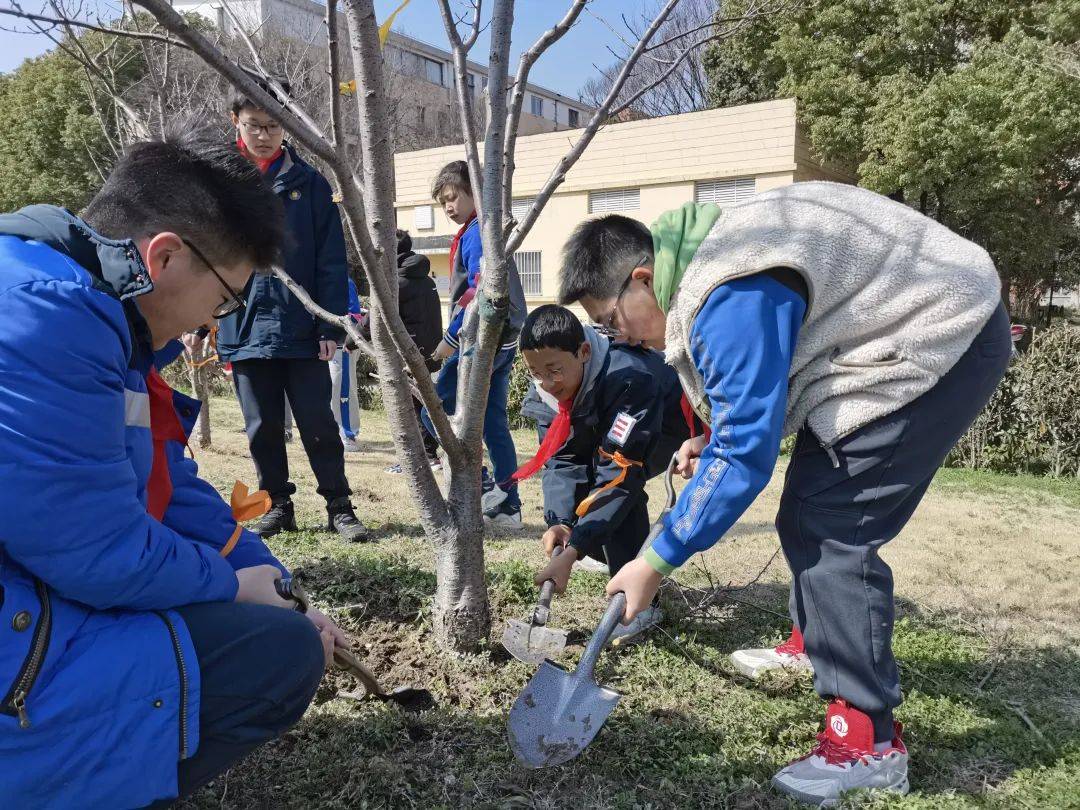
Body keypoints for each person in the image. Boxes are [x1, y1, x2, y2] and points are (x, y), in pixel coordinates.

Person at [556, 183, 1010, 805]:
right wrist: (713, 436)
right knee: (809, 508)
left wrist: (653, 562)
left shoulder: (729, 291)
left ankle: (869, 743)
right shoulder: (707, 264)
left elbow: (747, 451)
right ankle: (815, 642)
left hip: (941, 331)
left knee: (831, 524)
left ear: (642, 278)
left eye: (612, 321)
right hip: (892, 335)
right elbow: (751, 404)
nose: (622, 337)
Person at [0, 131, 345, 809]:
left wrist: (276, 581)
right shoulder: (51, 321)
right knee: (277, 657)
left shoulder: (79, 298)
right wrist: (233, 585)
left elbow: (168, 484)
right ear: (164, 257)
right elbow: (100, 553)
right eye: (224, 300)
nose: (214, 323)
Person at [215, 81, 368, 542]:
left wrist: (329, 324)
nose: (263, 135)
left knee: (317, 420)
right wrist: (212, 324)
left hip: (303, 325)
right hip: (241, 324)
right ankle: (276, 504)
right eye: (253, 125)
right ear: (235, 123)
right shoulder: (220, 181)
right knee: (260, 425)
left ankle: (339, 506)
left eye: (273, 126)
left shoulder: (311, 183)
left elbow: (330, 259)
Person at [514, 306, 700, 642]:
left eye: (554, 370)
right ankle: (603, 551)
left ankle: (641, 606)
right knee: (584, 498)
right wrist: (561, 523)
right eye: (534, 372)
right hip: (604, 421)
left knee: (618, 492)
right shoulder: (546, 391)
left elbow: (620, 474)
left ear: (584, 352)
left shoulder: (630, 378)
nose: (545, 382)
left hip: (661, 424)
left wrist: (573, 551)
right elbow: (561, 460)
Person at [422, 161, 527, 529]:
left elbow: (477, 291)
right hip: (504, 337)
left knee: (433, 411)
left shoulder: (476, 234)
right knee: (495, 422)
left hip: (482, 340)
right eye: (443, 202)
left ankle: (481, 485)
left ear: (474, 194)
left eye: (454, 197)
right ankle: (509, 505)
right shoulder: (481, 231)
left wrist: (448, 342)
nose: (449, 207)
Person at [374, 229, 444, 473]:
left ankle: (423, 457)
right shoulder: (427, 279)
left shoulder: (397, 284)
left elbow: (377, 318)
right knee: (424, 403)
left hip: (409, 353)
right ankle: (429, 455)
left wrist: (351, 338)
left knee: (412, 406)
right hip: (432, 350)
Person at [329, 278, 363, 453]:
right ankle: (331, 432)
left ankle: (348, 434)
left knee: (342, 388)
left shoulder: (345, 282)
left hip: (342, 345)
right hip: (324, 344)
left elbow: (354, 315)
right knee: (330, 390)